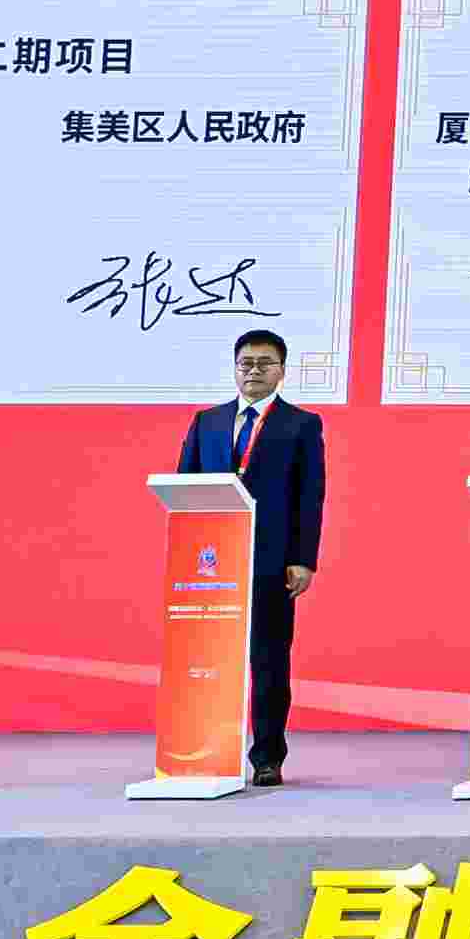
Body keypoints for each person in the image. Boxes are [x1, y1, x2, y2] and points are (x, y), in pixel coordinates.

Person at [175, 328, 323, 786]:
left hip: (271, 563)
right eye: (246, 363)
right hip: (211, 563)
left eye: (264, 363)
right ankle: (202, 748)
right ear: (235, 368)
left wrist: (303, 558)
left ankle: (267, 758)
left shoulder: (301, 425)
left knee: (268, 662)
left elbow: (310, 496)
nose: (253, 371)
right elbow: (185, 486)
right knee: (204, 658)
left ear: (282, 371)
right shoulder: (207, 422)